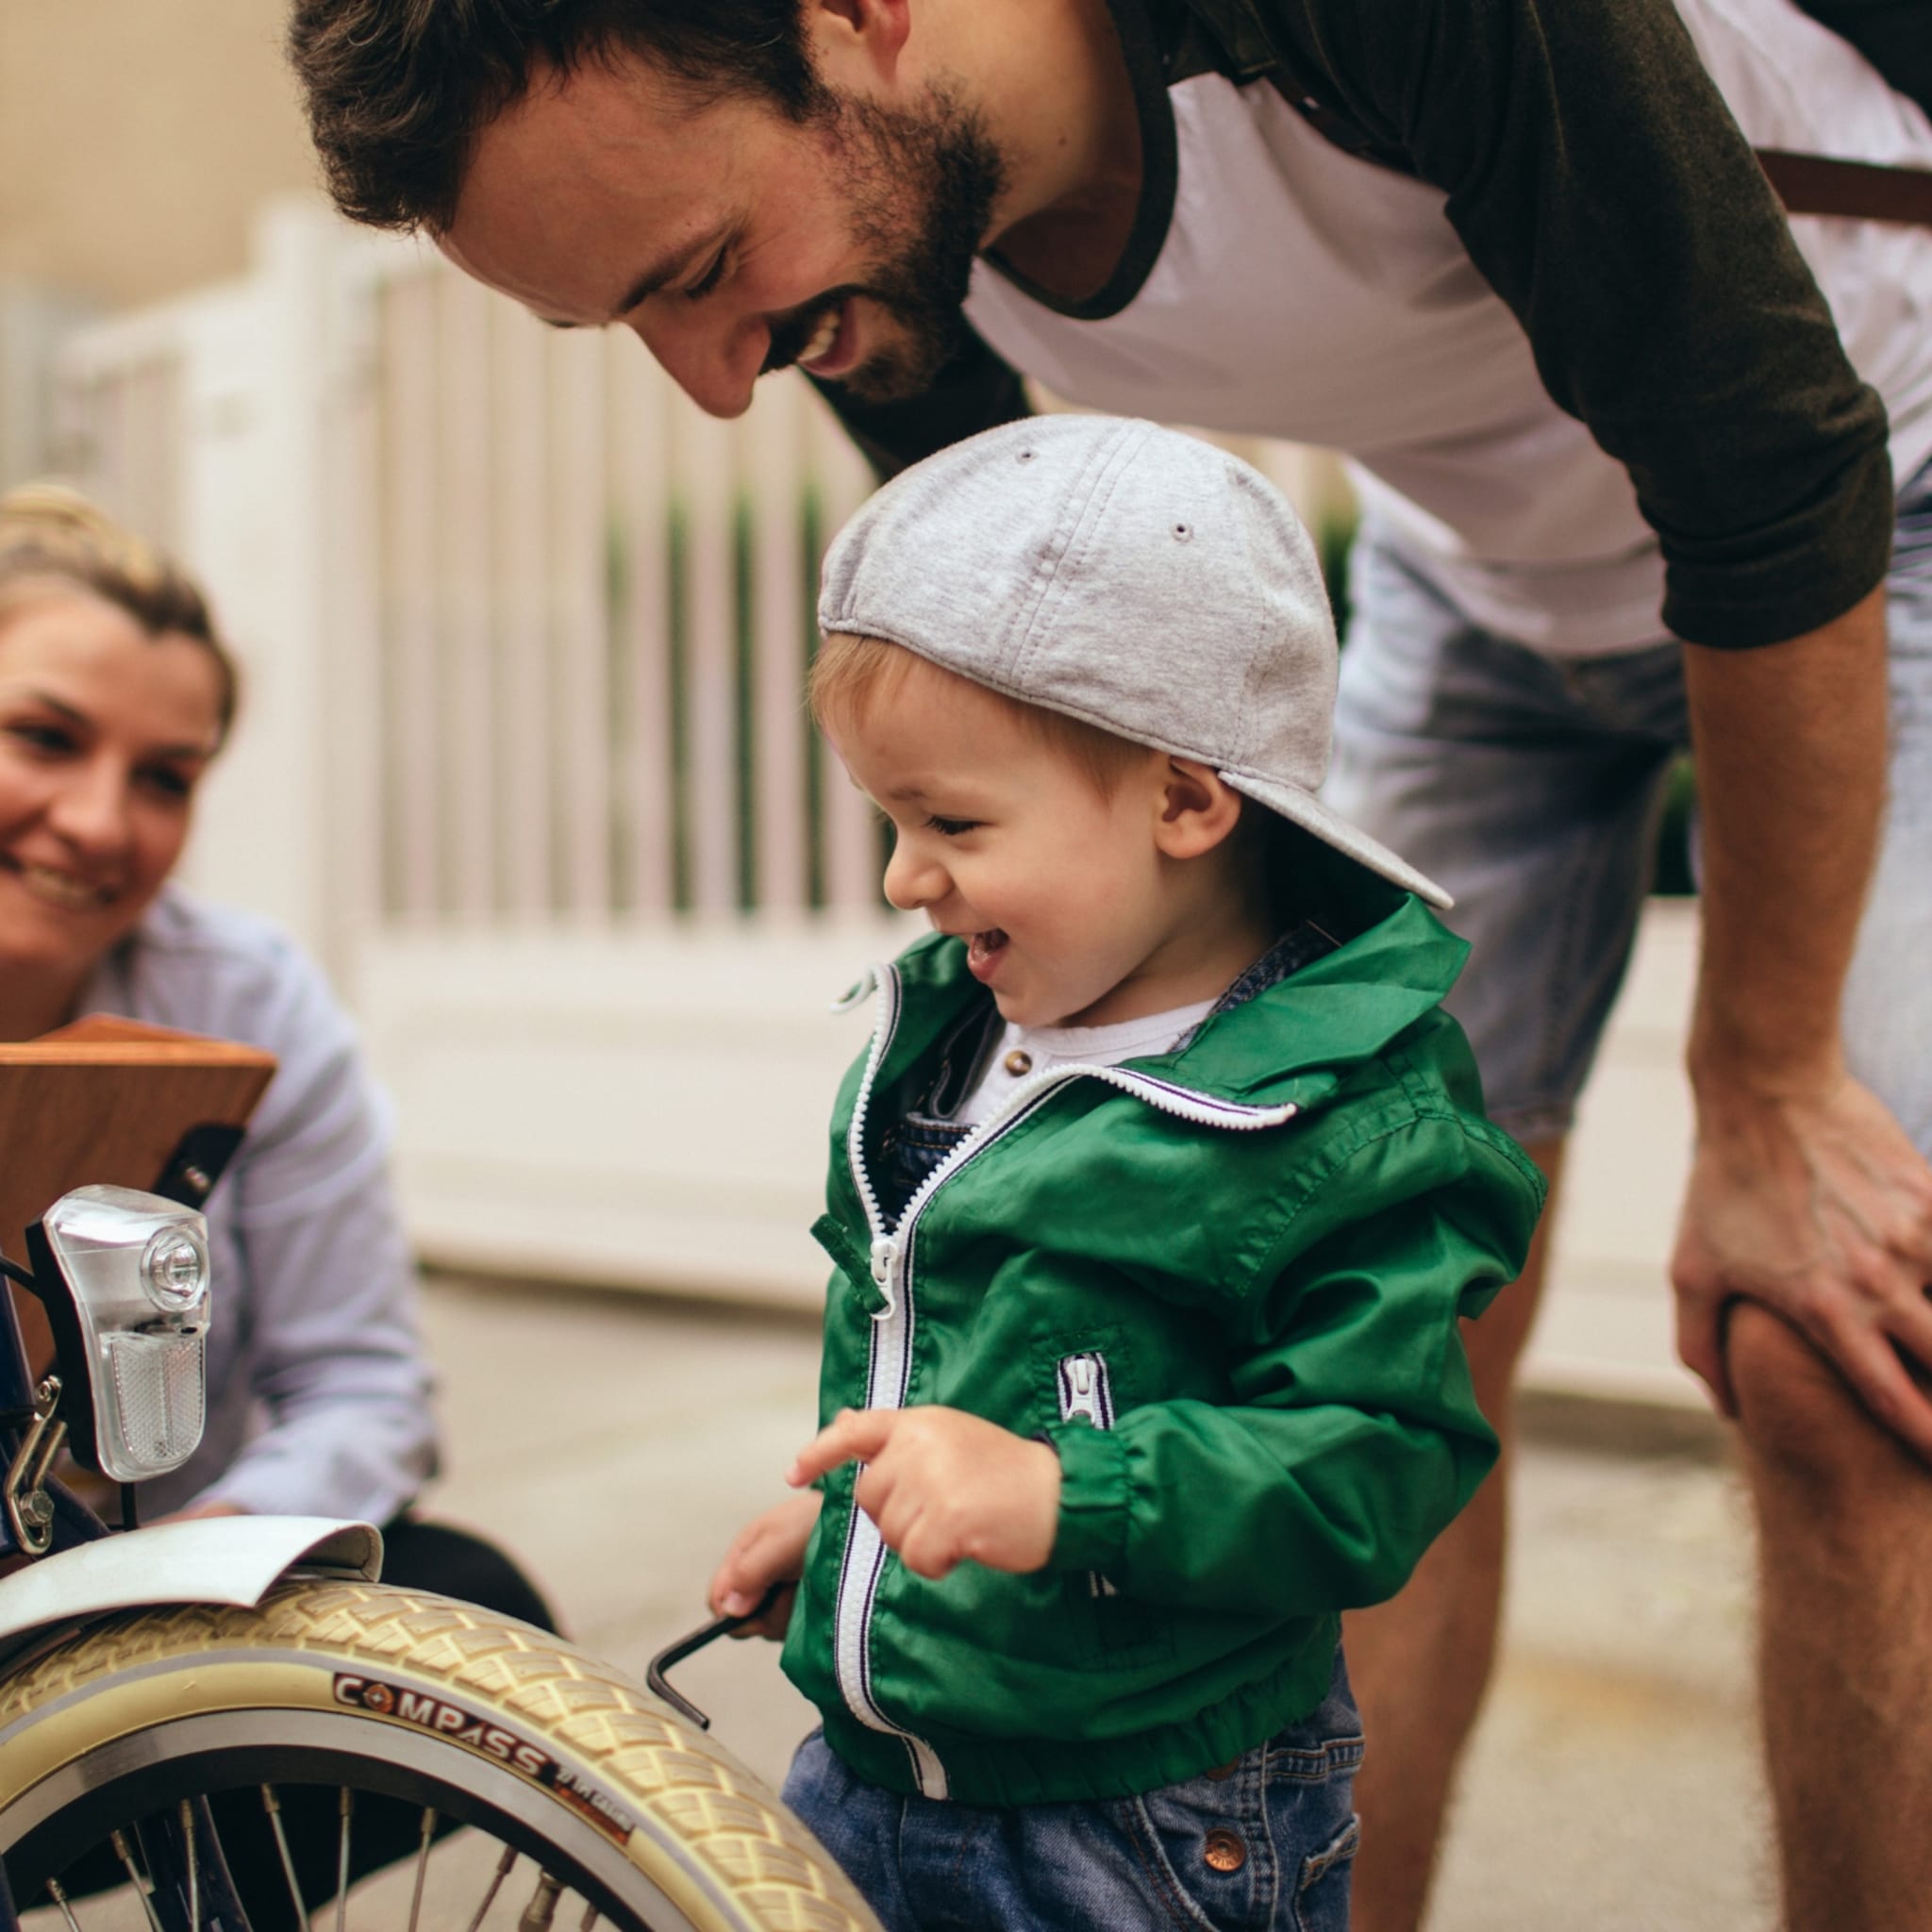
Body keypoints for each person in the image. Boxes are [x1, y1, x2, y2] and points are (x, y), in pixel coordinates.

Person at [286, 1, 1932, 1924]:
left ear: (860, 19)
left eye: (702, 277)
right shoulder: (858, 252)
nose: (717, 386)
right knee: (1312, 1310)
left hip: (1869, 492)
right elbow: (1033, 672)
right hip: (1471, 580)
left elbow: (1764, 467)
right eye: (627, 328)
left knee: (1826, 1329)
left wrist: (1761, 1087)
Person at [704, 414, 1544, 1931]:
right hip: (876, 1773)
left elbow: (1371, 1464)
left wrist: (1064, 1490)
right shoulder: (955, 1038)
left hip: (1152, 1824)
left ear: (1182, 801)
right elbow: (932, 1342)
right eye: (892, 822)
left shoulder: (1341, 1118)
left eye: (951, 821)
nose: (905, 878)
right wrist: (852, 1553)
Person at [0, 483, 553, 1919]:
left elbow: (361, 1384)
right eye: (43, 737)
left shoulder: (244, 1000)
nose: (97, 820)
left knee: (464, 1594)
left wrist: (211, 1549)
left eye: (165, 776)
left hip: (136, 1627)